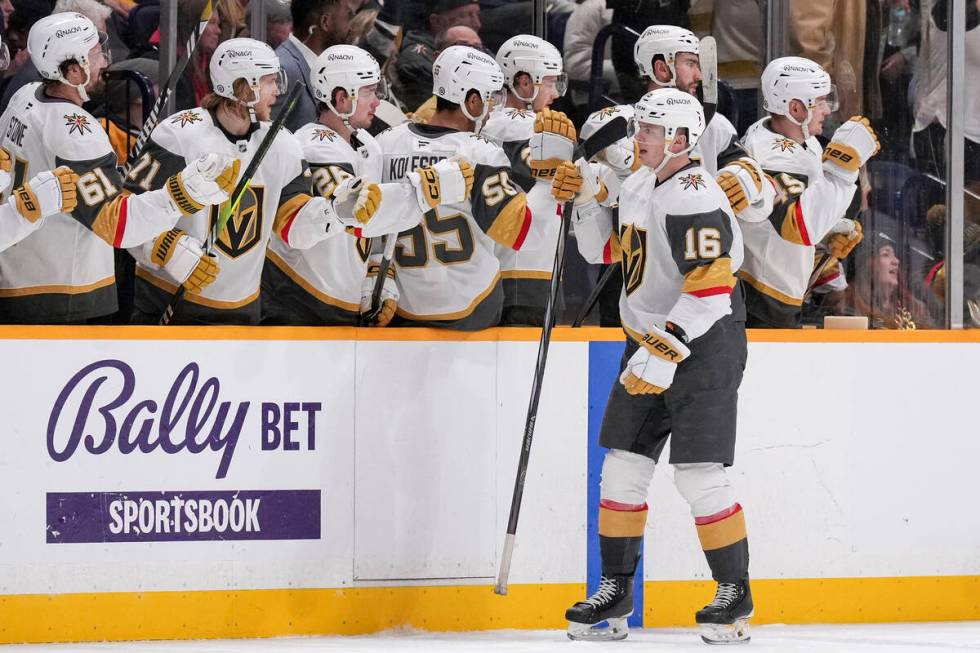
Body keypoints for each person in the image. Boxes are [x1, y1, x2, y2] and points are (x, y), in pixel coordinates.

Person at [560, 88, 752, 645]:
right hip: (649, 341)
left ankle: (734, 593)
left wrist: (666, 350)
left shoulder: (693, 193)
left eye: (648, 129)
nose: (636, 137)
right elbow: (608, 256)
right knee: (622, 463)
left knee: (697, 473)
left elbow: (712, 286)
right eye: (639, 127)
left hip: (703, 344)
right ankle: (616, 590)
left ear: (681, 140)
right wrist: (587, 202)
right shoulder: (643, 183)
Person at [0, 12, 237, 323]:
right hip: (60, 293)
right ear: (74, 70)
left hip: (15, 278)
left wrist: (160, 244)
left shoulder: (23, 97)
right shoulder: (76, 132)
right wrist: (179, 197)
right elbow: (118, 225)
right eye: (96, 55)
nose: (105, 63)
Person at [125, 37, 379, 325]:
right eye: (271, 81)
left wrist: (332, 212)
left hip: (243, 313)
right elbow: (129, 214)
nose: (278, 91)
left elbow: (291, 226)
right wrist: (165, 248)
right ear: (244, 87)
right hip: (167, 305)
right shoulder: (178, 134)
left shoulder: (282, 145)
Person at [262, 44, 472, 326]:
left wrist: (377, 270)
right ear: (341, 98)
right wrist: (424, 189)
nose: (378, 101)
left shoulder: (367, 145)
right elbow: (358, 213)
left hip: (342, 304)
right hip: (296, 303)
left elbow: (369, 232)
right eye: (370, 92)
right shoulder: (313, 147)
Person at [375, 45, 531, 329]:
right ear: (471, 101)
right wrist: (534, 172)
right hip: (473, 307)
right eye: (490, 99)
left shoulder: (385, 144)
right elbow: (516, 231)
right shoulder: (481, 153)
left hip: (404, 305)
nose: (492, 109)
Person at [737, 56, 878, 328]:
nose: (827, 109)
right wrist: (842, 170)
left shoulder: (802, 140)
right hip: (762, 300)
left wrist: (827, 236)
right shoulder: (772, 156)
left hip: (777, 292)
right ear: (795, 108)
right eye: (820, 101)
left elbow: (785, 220)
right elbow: (798, 225)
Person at [633, 25, 773, 230]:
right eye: (690, 63)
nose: (699, 75)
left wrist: (749, 183)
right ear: (662, 69)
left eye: (699, 65)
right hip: (643, 255)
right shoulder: (620, 127)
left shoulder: (716, 126)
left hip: (702, 253)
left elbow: (760, 211)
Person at [481, 34, 572, 325]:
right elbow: (559, 176)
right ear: (524, 82)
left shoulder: (493, 123)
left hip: (518, 273)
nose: (556, 93)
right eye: (549, 82)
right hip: (523, 277)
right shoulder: (515, 126)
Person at [272, 0, 357, 132]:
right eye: (348, 18)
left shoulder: (324, 67)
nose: (351, 28)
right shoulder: (284, 69)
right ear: (325, 22)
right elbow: (266, 138)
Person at [392, 0, 480, 113]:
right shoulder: (419, 63)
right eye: (465, 16)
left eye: (477, 14)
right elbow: (434, 114)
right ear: (437, 21)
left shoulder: (476, 46)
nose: (477, 24)